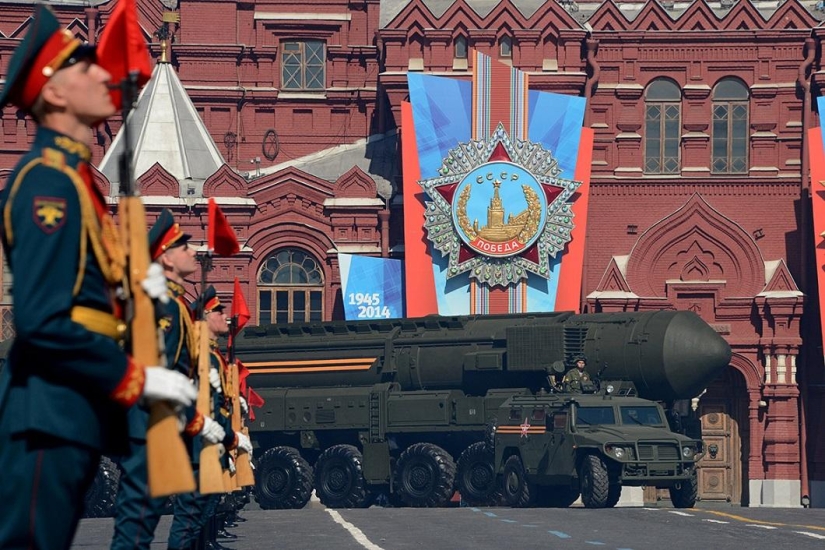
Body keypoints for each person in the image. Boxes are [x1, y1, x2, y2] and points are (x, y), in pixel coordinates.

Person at [0, 6, 197, 548]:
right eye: (83, 67)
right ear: (56, 95)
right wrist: (138, 380)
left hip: (74, 402)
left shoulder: (75, 183)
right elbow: (43, 319)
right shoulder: (48, 185)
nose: (101, 73)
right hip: (47, 407)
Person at [111, 209, 226, 550]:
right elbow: (161, 372)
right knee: (135, 523)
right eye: (183, 246)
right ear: (165, 259)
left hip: (160, 425)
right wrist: (194, 421)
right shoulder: (164, 305)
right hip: (148, 425)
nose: (193, 252)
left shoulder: (173, 304)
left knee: (142, 524)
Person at [180, 285, 252, 550]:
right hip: (204, 436)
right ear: (206, 318)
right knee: (194, 505)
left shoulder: (214, 356)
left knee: (208, 498)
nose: (226, 316)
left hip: (218, 435)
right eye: (218, 311)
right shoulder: (203, 356)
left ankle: (203, 542)